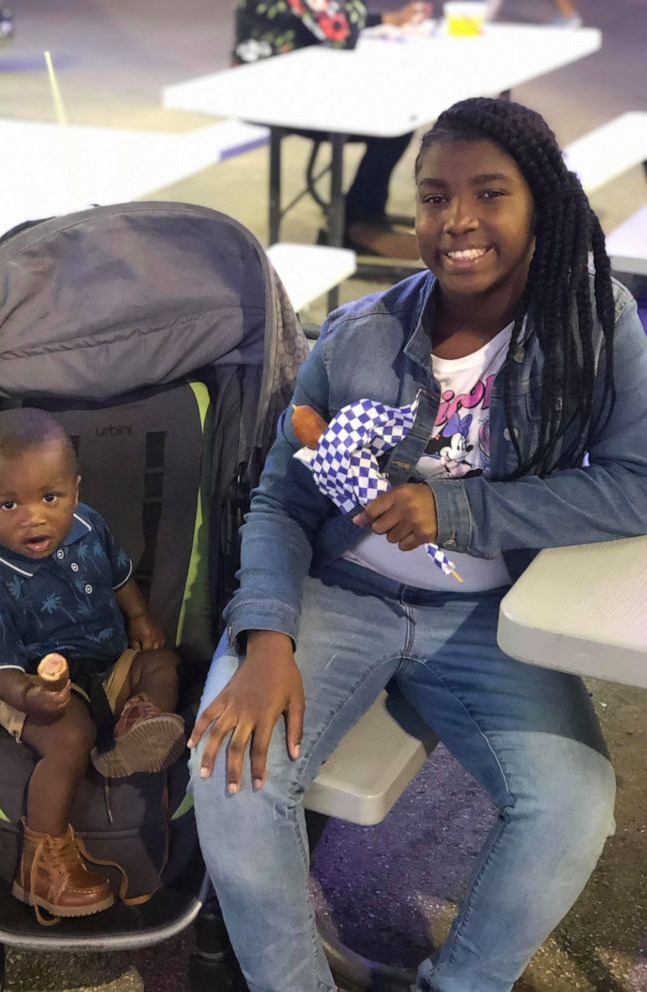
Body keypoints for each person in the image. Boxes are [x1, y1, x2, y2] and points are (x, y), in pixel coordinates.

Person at [188, 96, 647, 991]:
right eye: (434, 198)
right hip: (338, 595)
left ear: (542, 205)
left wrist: (461, 513)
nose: (458, 222)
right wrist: (267, 638)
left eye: (490, 194)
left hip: (485, 615)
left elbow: (636, 483)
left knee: (572, 804)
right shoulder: (362, 333)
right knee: (229, 773)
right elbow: (282, 495)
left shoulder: (598, 327)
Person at [0, 408, 185, 922]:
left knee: (163, 664)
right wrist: (27, 695)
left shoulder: (89, 526)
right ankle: (40, 864)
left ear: (76, 492)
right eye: (8, 504)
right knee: (69, 737)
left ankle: (138, 724)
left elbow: (119, 578)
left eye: (50, 498)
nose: (32, 517)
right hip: (26, 680)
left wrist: (140, 616)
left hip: (105, 664)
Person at [233, 0, 432, 259]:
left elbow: (336, 19)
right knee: (391, 124)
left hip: (299, 90)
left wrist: (386, 19)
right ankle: (355, 226)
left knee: (397, 121)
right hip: (271, 99)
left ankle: (359, 220)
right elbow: (341, 32)